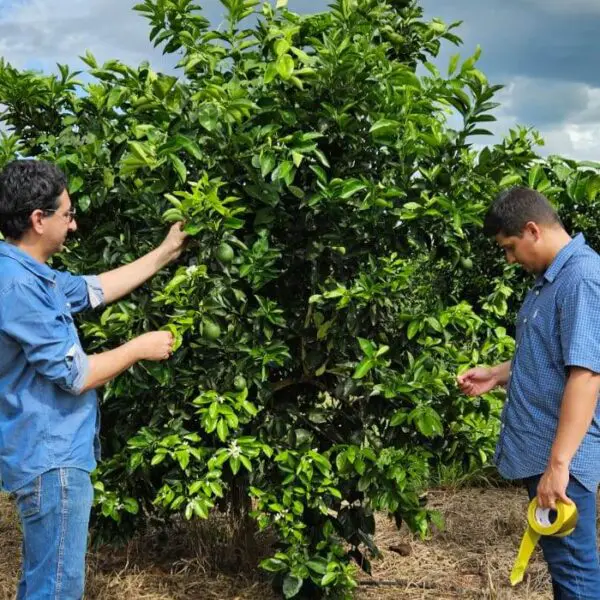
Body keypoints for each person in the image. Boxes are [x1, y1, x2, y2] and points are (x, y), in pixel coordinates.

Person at [0, 159, 188, 599]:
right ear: (38, 219)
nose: (74, 224)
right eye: (67, 214)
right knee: (57, 588)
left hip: (45, 455)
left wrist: (165, 252)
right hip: (52, 461)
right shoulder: (19, 288)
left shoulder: (28, 275)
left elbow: (95, 289)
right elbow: (75, 374)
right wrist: (138, 348)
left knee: (42, 581)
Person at [457, 186, 600, 599]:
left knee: (575, 574)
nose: (509, 259)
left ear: (533, 230)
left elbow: (587, 375)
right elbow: (552, 356)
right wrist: (498, 374)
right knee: (565, 568)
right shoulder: (551, 280)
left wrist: (558, 466)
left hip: (561, 460)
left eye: (509, 246)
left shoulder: (582, 280)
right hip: (547, 456)